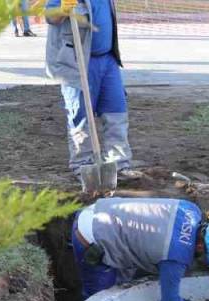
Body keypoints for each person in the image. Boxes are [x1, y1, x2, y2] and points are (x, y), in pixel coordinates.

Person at [71, 198, 209, 301]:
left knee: (123, 282)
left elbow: (190, 237)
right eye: (207, 255)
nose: (205, 258)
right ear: (201, 246)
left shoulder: (190, 209)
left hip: (101, 210)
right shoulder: (175, 258)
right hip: (91, 236)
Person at [44, 0, 137, 179]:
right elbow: (49, 16)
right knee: (80, 116)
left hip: (108, 60)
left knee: (116, 113)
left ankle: (119, 164)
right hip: (77, 61)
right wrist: (62, 9)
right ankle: (83, 165)